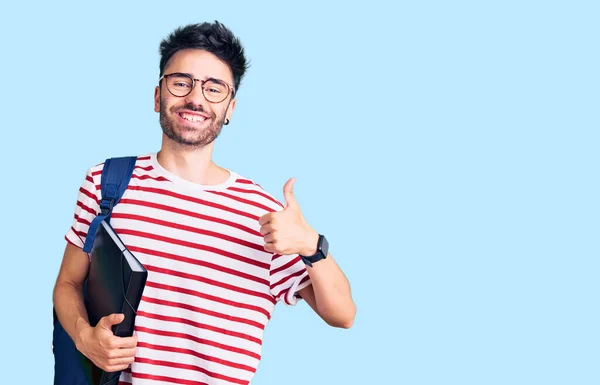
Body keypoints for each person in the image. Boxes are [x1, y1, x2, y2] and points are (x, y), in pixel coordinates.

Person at [53, 21, 356, 385]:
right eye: (182, 82)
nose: (196, 99)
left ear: (230, 109)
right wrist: (85, 338)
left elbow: (342, 314)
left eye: (214, 89)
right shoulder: (106, 183)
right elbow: (68, 283)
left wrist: (312, 246)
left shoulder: (264, 214)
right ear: (157, 96)